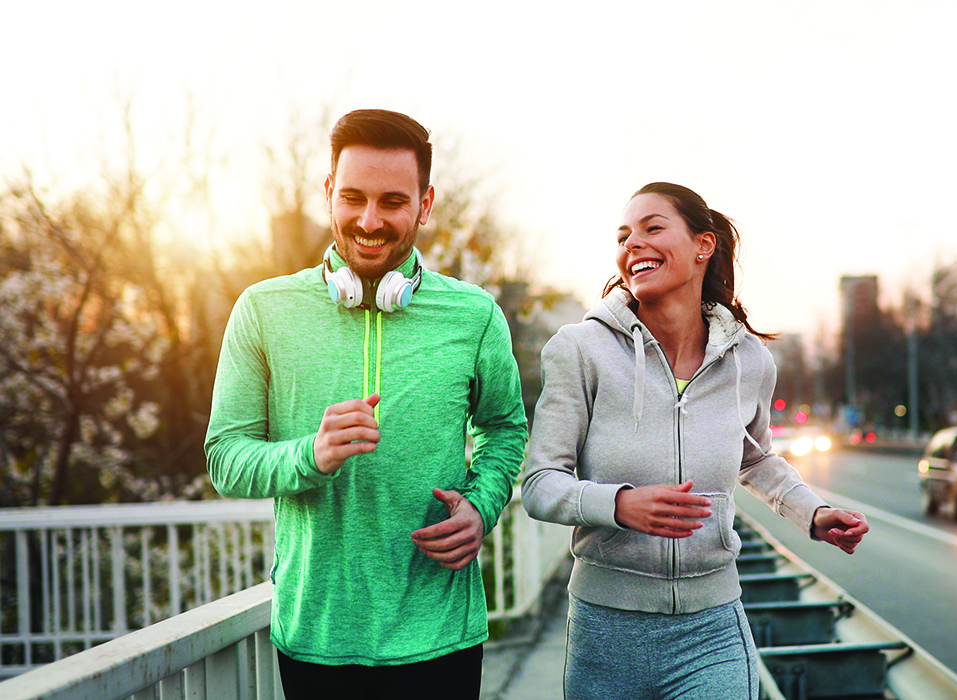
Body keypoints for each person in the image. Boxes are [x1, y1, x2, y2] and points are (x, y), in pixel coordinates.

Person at [204, 109, 527, 699]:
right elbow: (226, 458)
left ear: (425, 204)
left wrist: (482, 506)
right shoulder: (261, 310)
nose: (370, 220)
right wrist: (311, 455)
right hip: (316, 636)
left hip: (441, 636)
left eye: (393, 202)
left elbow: (504, 429)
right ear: (329, 192)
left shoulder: (476, 315)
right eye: (353, 198)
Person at [522, 182, 869, 700]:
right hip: (607, 630)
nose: (632, 243)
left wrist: (813, 513)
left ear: (703, 245)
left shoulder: (749, 361)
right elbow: (540, 484)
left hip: (712, 627)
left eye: (652, 228)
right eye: (623, 236)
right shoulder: (579, 349)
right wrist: (618, 504)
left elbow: (756, 460)